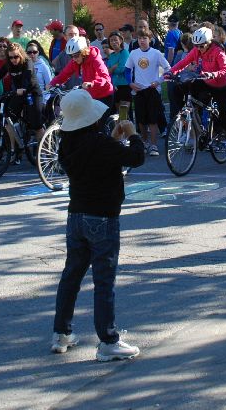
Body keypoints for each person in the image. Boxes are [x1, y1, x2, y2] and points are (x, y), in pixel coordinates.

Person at [51, 90, 145, 362]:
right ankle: (107, 339)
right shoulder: (99, 143)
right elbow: (135, 157)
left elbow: (96, 155)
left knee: (72, 275)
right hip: (102, 216)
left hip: (76, 214)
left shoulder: (68, 143)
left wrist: (113, 139)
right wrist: (133, 135)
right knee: (104, 279)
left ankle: (61, 332)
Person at [170, 26, 226, 167]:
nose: (199, 49)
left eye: (202, 46)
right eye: (196, 46)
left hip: (221, 87)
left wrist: (213, 74)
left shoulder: (218, 51)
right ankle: (188, 114)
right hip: (206, 82)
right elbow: (183, 63)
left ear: (209, 43)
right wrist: (171, 72)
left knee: (225, 118)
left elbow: (225, 69)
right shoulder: (197, 50)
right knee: (182, 87)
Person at [126, 29, 171, 156]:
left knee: (153, 119)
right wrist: (131, 83)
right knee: (141, 119)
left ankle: (154, 145)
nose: (142, 40)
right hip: (139, 90)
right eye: (140, 38)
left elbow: (168, 69)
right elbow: (127, 70)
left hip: (152, 90)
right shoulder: (134, 53)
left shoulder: (156, 53)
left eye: (144, 38)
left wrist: (158, 81)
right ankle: (144, 142)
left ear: (150, 40)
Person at [49, 36, 114, 113]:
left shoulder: (95, 60)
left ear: (84, 52)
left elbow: (106, 78)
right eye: (71, 56)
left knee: (97, 121)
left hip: (104, 96)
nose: (74, 59)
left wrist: (92, 84)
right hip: (90, 96)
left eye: (76, 56)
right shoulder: (75, 61)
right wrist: (51, 84)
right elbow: (64, 74)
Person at [104, 32, 131, 120]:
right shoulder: (111, 55)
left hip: (125, 86)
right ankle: (123, 128)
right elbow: (107, 72)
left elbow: (122, 69)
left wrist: (112, 69)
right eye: (111, 40)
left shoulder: (124, 52)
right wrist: (115, 66)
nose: (113, 42)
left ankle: (128, 128)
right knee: (119, 115)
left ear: (121, 41)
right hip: (115, 87)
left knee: (123, 114)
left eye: (115, 40)